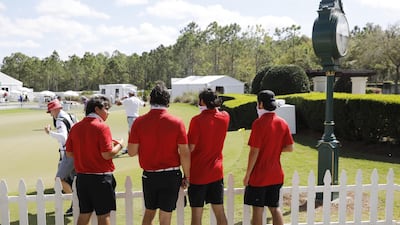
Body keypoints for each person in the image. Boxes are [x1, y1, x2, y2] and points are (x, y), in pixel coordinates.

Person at [127, 83, 190, 225]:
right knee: (165, 217)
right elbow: (184, 153)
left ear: (151, 100)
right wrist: (187, 175)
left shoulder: (139, 122)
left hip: (149, 175)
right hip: (171, 175)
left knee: (149, 213)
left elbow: (131, 152)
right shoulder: (177, 122)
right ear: (167, 101)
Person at [66, 95, 124, 225]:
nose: (108, 112)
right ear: (97, 109)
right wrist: (120, 145)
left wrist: (86, 153)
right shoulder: (102, 127)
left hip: (82, 178)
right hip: (100, 178)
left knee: (84, 214)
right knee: (104, 216)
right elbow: (107, 154)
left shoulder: (76, 127)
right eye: (106, 109)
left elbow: (69, 153)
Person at [242, 90, 294, 225]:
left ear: (260, 104)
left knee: (258, 210)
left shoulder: (258, 123)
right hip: (276, 173)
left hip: (260, 175)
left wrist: (247, 174)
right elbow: (290, 147)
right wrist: (275, 150)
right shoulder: (282, 122)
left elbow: (254, 151)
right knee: (275, 207)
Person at [187, 88, 230, 225]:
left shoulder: (196, 120)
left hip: (198, 173)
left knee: (197, 216)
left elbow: (190, 148)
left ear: (202, 101)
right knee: (219, 212)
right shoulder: (225, 117)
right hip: (216, 172)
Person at [44, 99, 76, 216]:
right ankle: (78, 204)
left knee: (60, 179)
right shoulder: (70, 116)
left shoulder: (59, 120)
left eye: (50, 111)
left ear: (55, 109)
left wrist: (49, 133)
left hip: (68, 152)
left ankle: (75, 203)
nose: (51, 114)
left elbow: (63, 138)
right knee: (75, 180)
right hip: (77, 151)